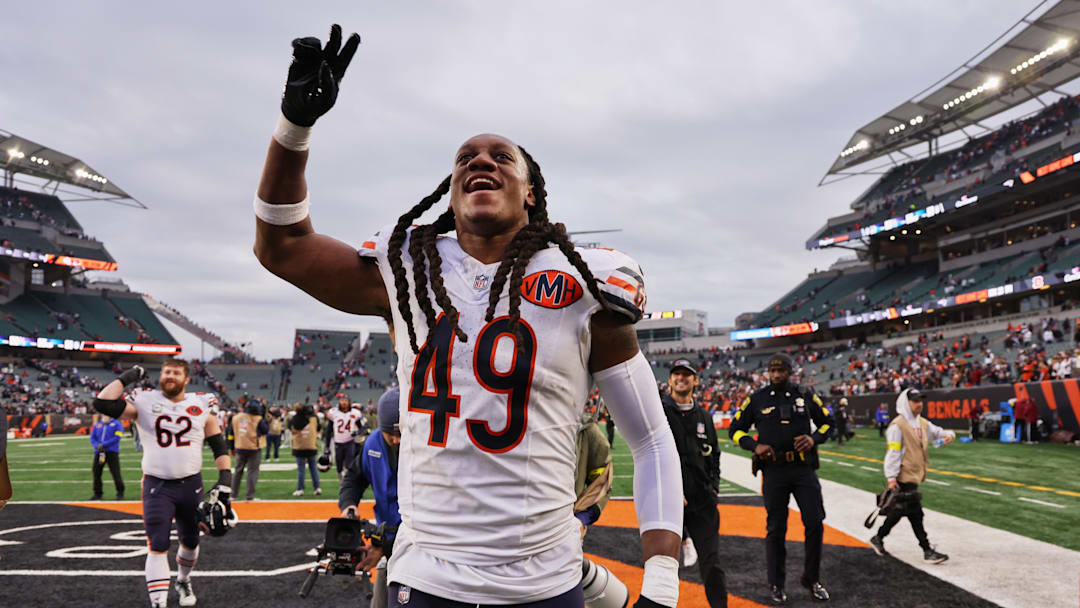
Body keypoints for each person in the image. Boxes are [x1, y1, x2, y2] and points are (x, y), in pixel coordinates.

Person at [254, 25, 683, 608]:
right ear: (450, 192)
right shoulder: (404, 273)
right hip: (427, 577)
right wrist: (294, 127)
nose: (481, 160)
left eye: (501, 156)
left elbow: (652, 439)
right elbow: (281, 247)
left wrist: (660, 582)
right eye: (466, 159)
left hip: (544, 583)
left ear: (530, 192)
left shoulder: (584, 283)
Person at [91, 360, 233, 608]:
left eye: (176, 372)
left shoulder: (200, 403)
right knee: (157, 544)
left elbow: (218, 446)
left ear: (186, 379)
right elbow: (102, 402)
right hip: (157, 485)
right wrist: (129, 375)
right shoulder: (144, 400)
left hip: (191, 485)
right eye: (166, 371)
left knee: (190, 541)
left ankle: (183, 580)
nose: (170, 376)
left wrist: (225, 481)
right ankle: (158, 603)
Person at [729, 353, 832, 604]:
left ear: (790, 371)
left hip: (803, 469)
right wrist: (754, 446)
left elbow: (828, 422)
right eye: (773, 371)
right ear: (768, 373)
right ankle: (776, 583)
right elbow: (735, 430)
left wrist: (813, 439)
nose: (777, 375)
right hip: (773, 471)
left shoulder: (804, 395)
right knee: (776, 529)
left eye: (781, 371)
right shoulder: (757, 399)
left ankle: (812, 578)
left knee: (815, 523)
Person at [660, 360, 727, 607]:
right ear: (669, 380)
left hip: (702, 500)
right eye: (676, 373)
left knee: (712, 563)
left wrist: (715, 486)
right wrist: (669, 488)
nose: (682, 378)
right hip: (667, 500)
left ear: (695, 381)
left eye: (687, 375)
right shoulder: (658, 411)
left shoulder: (705, 416)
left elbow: (715, 454)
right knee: (662, 566)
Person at [869, 388, 954, 563]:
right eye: (915, 401)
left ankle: (878, 537)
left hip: (914, 475)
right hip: (903, 476)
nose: (919, 404)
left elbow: (938, 432)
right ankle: (926, 549)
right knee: (916, 514)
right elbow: (893, 452)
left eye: (920, 401)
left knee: (900, 512)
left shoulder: (922, 423)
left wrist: (949, 435)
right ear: (905, 403)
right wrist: (891, 477)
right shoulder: (897, 426)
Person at [339, 387, 403, 608]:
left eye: (401, 432)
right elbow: (354, 478)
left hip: (419, 546)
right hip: (388, 537)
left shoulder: (425, 448)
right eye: (390, 433)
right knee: (379, 603)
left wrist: (384, 546)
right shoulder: (373, 443)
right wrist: (349, 505)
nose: (396, 439)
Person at [231, 400, 267, 501]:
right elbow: (265, 430)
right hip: (253, 448)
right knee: (252, 472)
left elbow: (230, 433)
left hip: (239, 447)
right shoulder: (258, 419)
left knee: (237, 472)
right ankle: (249, 496)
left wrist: (231, 447)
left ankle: (233, 495)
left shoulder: (236, 417)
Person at [89, 414, 125, 500]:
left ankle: (120, 492)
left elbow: (118, 437)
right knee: (97, 472)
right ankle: (98, 493)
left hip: (111, 452)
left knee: (115, 472)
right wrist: (96, 445)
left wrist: (104, 445)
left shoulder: (117, 424)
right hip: (101, 453)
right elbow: (92, 437)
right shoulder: (97, 424)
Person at [290, 403, 322, 496]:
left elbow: (291, 427)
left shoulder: (295, 419)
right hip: (311, 445)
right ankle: (317, 488)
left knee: (301, 469)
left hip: (299, 446)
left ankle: (300, 489)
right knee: (313, 468)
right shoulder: (314, 419)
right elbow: (319, 428)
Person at [326, 396, 360, 481]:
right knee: (339, 465)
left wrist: (357, 432)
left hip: (350, 442)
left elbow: (363, 427)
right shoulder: (334, 413)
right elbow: (329, 430)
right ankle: (341, 480)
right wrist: (327, 446)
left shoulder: (355, 413)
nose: (344, 403)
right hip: (338, 442)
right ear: (339, 402)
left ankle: (348, 482)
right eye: (342, 401)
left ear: (349, 403)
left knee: (349, 464)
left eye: (346, 401)